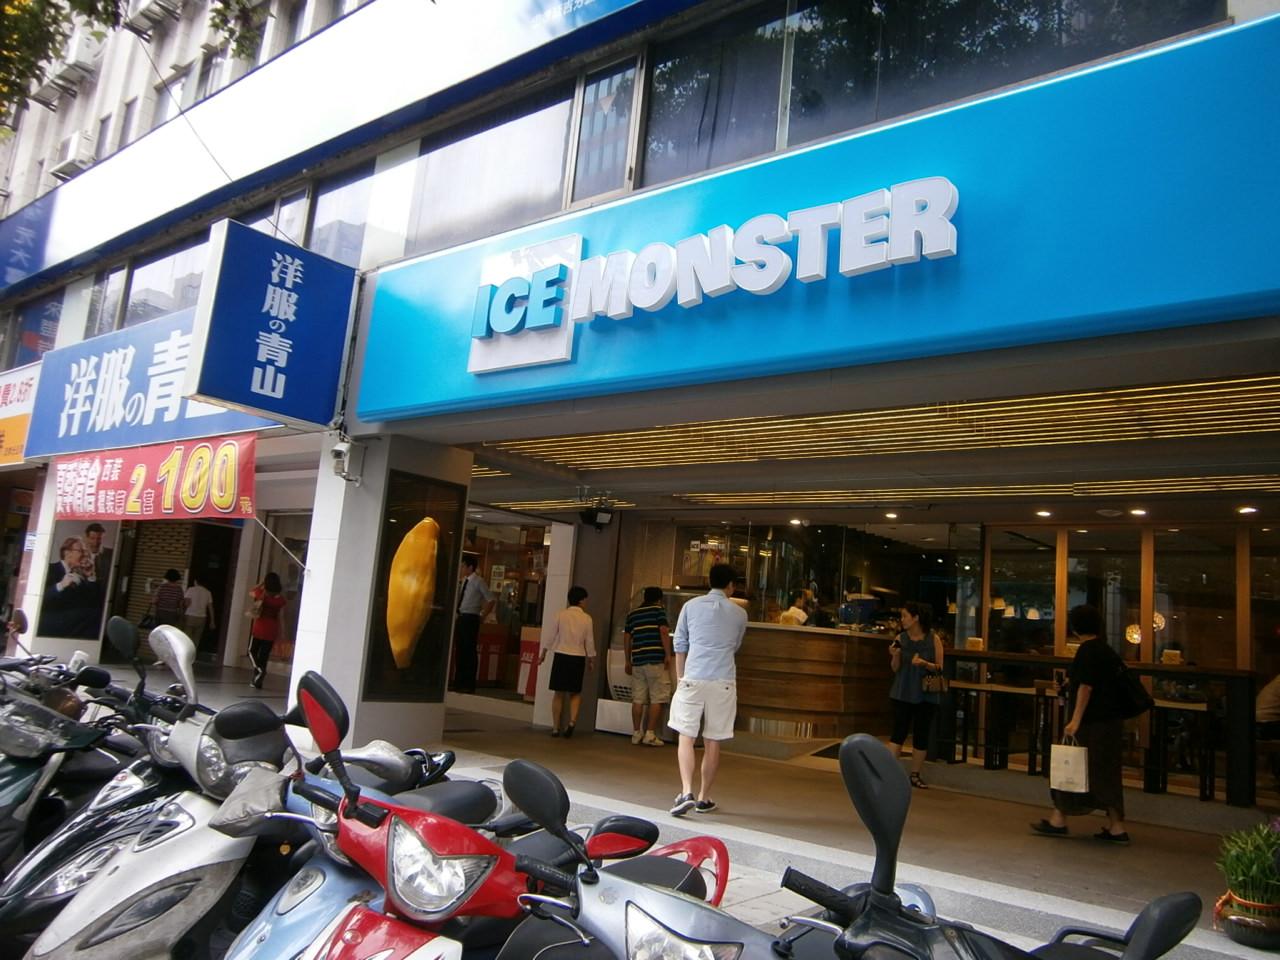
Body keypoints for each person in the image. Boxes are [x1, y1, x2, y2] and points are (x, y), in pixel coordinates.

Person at [1031, 604, 1130, 845]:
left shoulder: (1087, 651)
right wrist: (1068, 686)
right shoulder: (1106, 650)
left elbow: (1086, 687)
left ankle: (1059, 819)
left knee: (1071, 766)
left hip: (1091, 723)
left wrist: (1074, 720)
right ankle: (1116, 826)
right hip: (1110, 722)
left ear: (1075, 627)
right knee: (1106, 773)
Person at [668, 563, 747, 817]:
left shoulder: (690, 606)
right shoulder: (740, 613)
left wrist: (681, 678)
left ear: (709, 581)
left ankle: (686, 792)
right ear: (731, 586)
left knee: (686, 736)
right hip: (723, 680)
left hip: (693, 677)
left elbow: (680, 644)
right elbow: (735, 645)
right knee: (713, 740)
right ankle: (703, 798)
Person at [889, 601, 945, 789]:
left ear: (916, 618)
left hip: (925, 692)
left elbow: (940, 667)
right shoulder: (900, 638)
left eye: (905, 616)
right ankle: (890, 773)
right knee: (898, 732)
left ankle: (915, 774)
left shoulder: (933, 639)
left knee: (921, 734)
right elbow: (895, 668)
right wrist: (895, 655)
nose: (902, 620)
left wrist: (924, 664)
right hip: (902, 690)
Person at [539, 586, 595, 738]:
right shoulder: (587, 618)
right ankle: (571, 722)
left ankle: (555, 728)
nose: (586, 602)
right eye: (585, 600)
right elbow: (589, 641)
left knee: (558, 693)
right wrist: (591, 659)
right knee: (575, 693)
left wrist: (543, 653)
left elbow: (551, 636)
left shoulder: (561, 615)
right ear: (581, 600)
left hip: (561, 656)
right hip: (578, 657)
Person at [624, 586, 672, 747]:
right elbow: (664, 631)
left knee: (638, 698)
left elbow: (627, 637)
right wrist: (667, 654)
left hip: (637, 660)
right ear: (659, 598)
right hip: (655, 660)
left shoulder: (633, 614)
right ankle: (650, 734)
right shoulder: (659, 610)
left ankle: (636, 733)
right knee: (657, 697)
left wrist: (627, 660)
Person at [39, 537, 104, 639]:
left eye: (84, 552)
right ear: (67, 552)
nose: (84, 555)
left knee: (97, 613)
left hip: (71, 627)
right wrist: (61, 585)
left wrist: (91, 576)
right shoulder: (50, 569)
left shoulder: (79, 576)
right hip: (50, 622)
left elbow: (95, 602)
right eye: (80, 551)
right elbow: (39, 599)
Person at [452, 556, 494, 693]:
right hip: (461, 617)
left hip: (471, 617)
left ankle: (469, 684)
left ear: (470, 567)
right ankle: (458, 681)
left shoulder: (478, 581)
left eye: (463, 566)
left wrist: (482, 615)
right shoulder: (464, 581)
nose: (461, 568)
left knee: (469, 650)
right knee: (460, 649)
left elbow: (491, 599)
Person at [247, 572, 287, 689]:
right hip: (272, 628)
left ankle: (260, 671)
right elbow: (281, 617)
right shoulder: (281, 600)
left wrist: (261, 583)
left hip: (260, 627)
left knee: (252, 651)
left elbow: (251, 591)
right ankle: (257, 681)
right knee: (264, 656)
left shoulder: (261, 595)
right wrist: (283, 632)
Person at [183, 576, 216, 645]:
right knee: (197, 638)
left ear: (195, 581)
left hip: (190, 616)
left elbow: (187, 604)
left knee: (187, 637)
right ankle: (194, 651)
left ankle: (186, 651)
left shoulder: (191, 590)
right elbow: (210, 607)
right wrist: (212, 621)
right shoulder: (208, 592)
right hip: (202, 617)